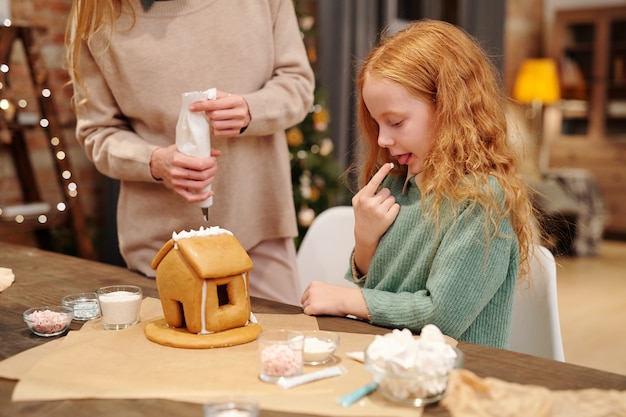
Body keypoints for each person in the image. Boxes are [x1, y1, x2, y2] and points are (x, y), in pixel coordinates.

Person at [301, 20, 538, 349]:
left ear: (449, 107)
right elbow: (384, 284)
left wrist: (347, 300)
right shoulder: (400, 185)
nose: (383, 138)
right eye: (377, 123)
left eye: (396, 122)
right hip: (392, 365)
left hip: (456, 381)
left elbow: (442, 317)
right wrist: (365, 240)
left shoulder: (482, 199)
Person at [65, 0, 315, 305]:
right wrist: (154, 161)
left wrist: (251, 110)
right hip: (162, 250)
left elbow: (299, 85)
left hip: (259, 232)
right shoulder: (96, 14)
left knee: (274, 349)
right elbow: (97, 132)